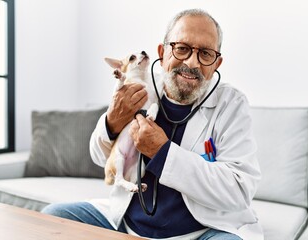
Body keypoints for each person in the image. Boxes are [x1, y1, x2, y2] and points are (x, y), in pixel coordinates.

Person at [42, 8, 263, 240]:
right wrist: (112, 122)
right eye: (182, 48)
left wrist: (162, 152)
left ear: (216, 63)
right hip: (126, 225)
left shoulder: (231, 104)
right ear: (163, 51)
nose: (192, 62)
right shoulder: (138, 88)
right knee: (52, 217)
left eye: (206, 53)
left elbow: (239, 190)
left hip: (201, 232)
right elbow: (99, 157)